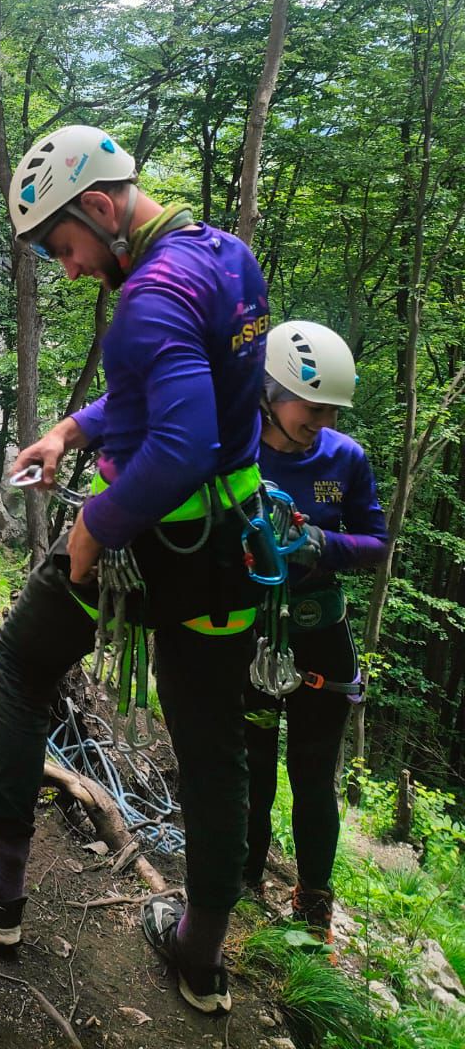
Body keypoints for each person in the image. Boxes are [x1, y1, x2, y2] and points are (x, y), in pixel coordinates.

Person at [0, 124, 270, 1016]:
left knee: (23, 665)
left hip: (150, 548)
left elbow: (180, 441)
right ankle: (200, 957)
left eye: (65, 247)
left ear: (101, 209)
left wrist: (95, 528)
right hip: (229, 555)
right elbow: (184, 395)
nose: (68, 269)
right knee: (213, 753)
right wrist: (74, 429)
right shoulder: (226, 260)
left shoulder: (148, 301)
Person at [244, 320, 386, 943]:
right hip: (249, 630)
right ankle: (242, 884)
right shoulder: (235, 445)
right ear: (271, 390)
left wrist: (321, 544)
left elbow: (377, 543)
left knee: (311, 771)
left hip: (319, 633)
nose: (321, 419)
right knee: (250, 763)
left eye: (331, 409)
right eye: (312, 405)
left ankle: (313, 909)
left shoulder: (345, 460)